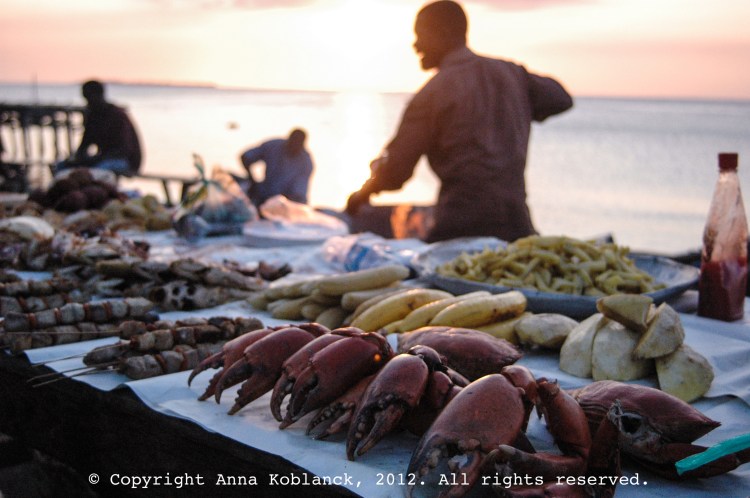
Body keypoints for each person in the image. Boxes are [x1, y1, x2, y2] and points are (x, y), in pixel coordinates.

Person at [345, 0, 573, 243]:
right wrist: (519, 98)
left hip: (460, 230)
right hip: (516, 229)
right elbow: (561, 98)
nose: (415, 45)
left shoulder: (431, 95)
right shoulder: (512, 74)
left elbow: (395, 171)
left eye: (421, 35)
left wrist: (363, 193)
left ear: (443, 34)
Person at [58, 80, 142, 176]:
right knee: (62, 166)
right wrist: (75, 160)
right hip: (103, 158)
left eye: (89, 98)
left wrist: (96, 159)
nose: (88, 102)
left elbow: (124, 150)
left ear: (99, 95)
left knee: (98, 170)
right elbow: (85, 143)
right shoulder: (93, 116)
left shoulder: (117, 115)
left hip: (126, 161)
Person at [239, 128, 314, 207]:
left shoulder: (306, 163)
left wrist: (278, 203)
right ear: (288, 139)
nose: (294, 145)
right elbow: (245, 157)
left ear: (302, 145)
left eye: (297, 143)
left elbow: (298, 194)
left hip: (284, 204)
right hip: (262, 192)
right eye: (293, 141)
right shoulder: (273, 146)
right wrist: (252, 180)